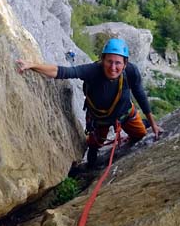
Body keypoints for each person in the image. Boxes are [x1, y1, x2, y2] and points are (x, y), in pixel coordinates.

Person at [17, 38, 162, 166]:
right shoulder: (93, 71)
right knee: (95, 144)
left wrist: (153, 124)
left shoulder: (131, 71)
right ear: (102, 60)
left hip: (125, 113)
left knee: (140, 135)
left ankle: (145, 123)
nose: (113, 67)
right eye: (109, 61)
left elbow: (140, 95)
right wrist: (33, 65)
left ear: (125, 64)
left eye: (118, 63)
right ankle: (92, 159)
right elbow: (62, 72)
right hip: (99, 119)